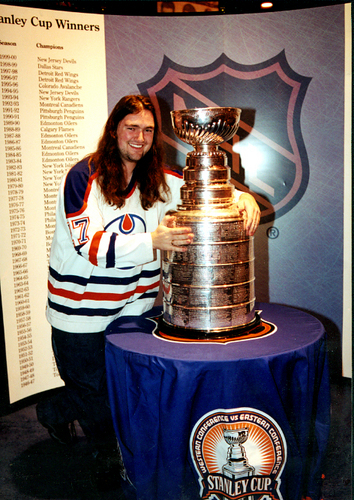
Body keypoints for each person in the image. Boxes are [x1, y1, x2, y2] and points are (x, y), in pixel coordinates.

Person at [36, 94, 260, 486]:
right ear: (114, 130)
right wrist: (152, 240)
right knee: (97, 399)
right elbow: (89, 247)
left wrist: (243, 197)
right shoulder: (82, 176)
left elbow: (203, 188)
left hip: (132, 313)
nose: (140, 137)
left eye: (148, 130)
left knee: (115, 388)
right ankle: (110, 467)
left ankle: (57, 408)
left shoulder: (159, 177)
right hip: (81, 314)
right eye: (131, 128)